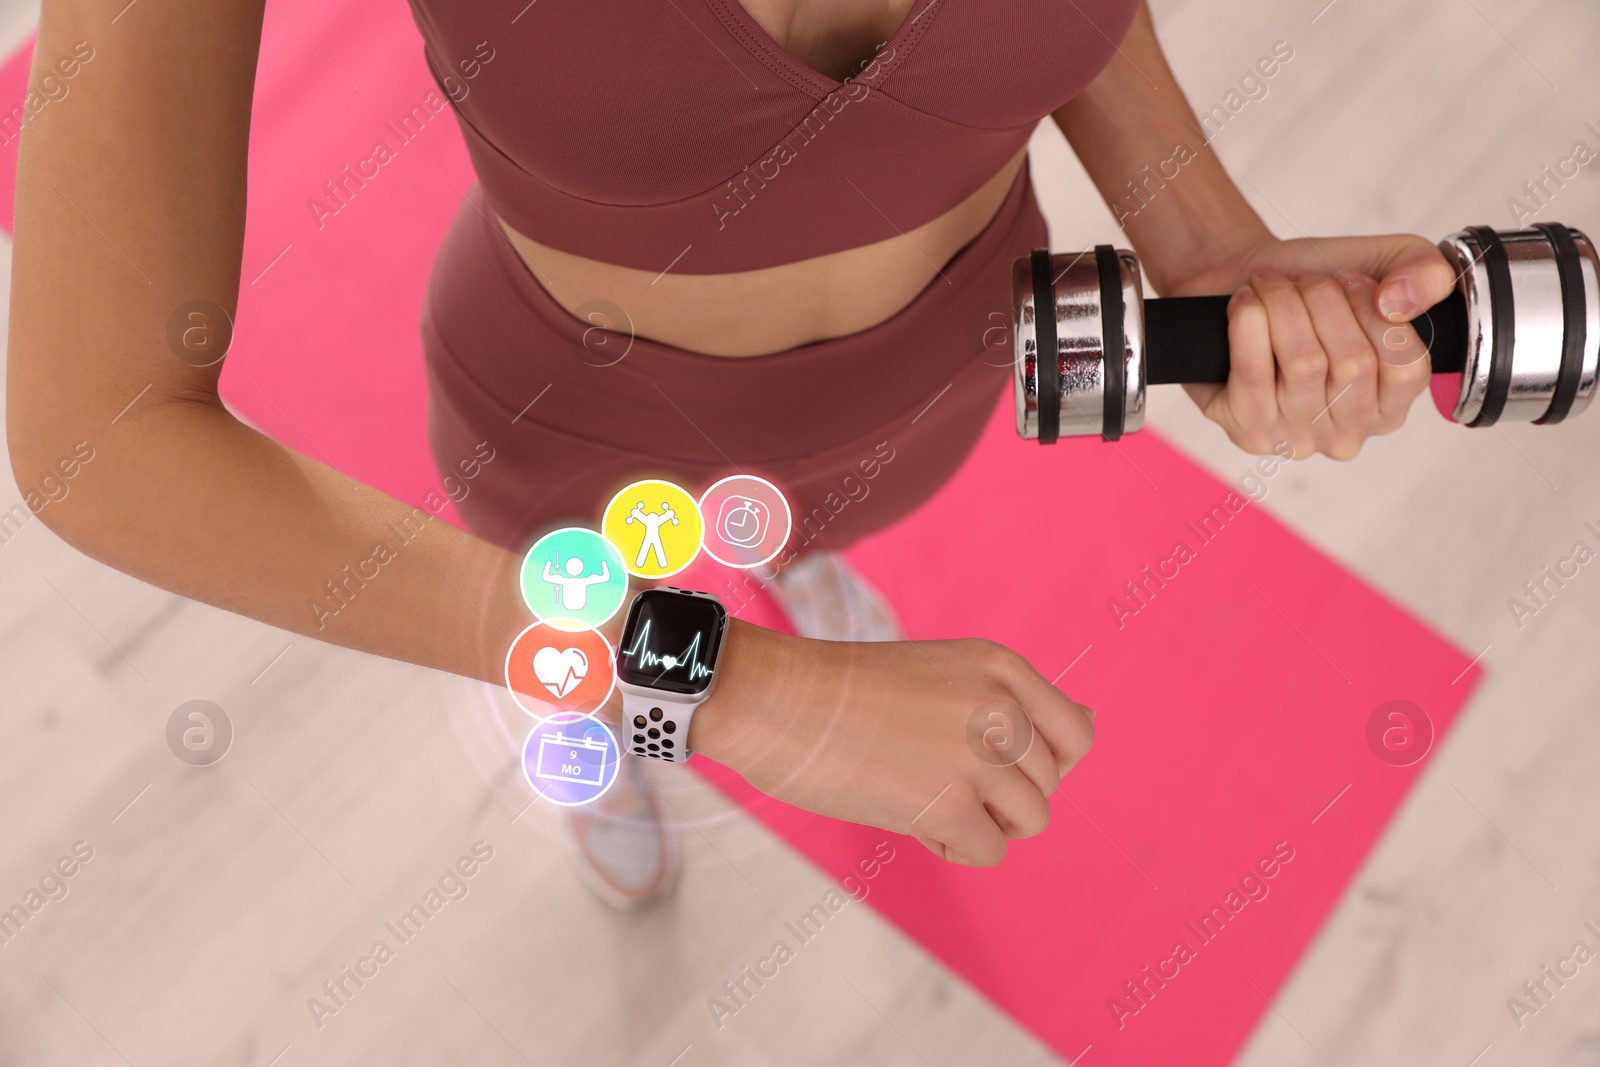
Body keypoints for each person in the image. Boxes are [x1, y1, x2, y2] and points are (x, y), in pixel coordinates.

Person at [8, 0, 1453, 910]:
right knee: (609, 680)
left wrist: (1204, 240)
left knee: (809, 541)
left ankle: (752, 605)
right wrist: (738, 686)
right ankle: (613, 730)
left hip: (938, 370)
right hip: (572, 424)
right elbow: (97, 441)